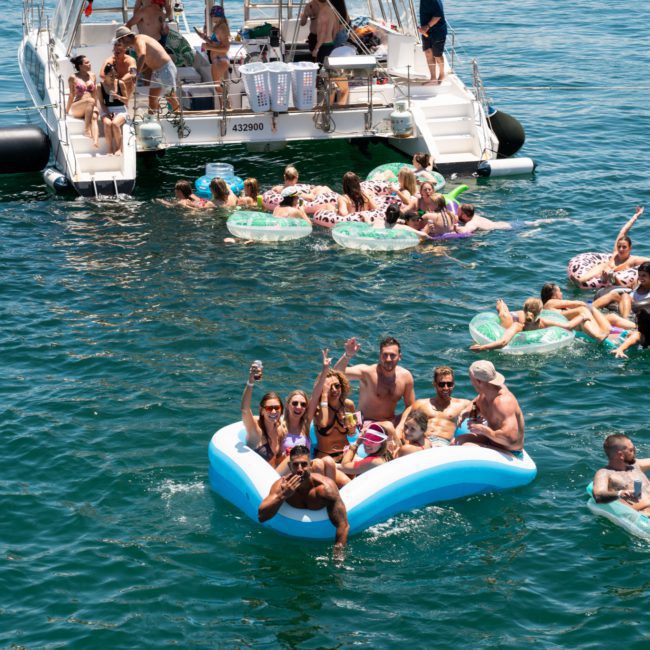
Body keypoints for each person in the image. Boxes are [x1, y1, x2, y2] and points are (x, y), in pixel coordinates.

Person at [258, 445, 349, 555]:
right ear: (289, 466)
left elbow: (343, 525)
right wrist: (282, 496)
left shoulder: (325, 488)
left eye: (304, 464)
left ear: (311, 465)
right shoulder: (281, 486)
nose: (300, 469)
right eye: (295, 465)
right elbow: (261, 517)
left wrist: (338, 556)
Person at [334, 336, 415, 444]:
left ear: (399, 357)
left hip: (391, 422)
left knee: (419, 414)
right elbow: (337, 373)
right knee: (390, 431)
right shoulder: (367, 373)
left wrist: (400, 427)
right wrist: (347, 355)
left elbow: (410, 405)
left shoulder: (406, 376)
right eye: (385, 355)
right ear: (380, 356)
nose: (388, 359)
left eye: (392, 355)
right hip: (366, 423)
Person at [453, 360, 525, 455]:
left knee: (468, 448)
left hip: (510, 451)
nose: (471, 383)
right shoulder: (486, 393)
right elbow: (475, 404)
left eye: (471, 380)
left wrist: (483, 430)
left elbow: (510, 439)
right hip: (492, 441)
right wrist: (466, 412)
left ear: (478, 381)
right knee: (456, 441)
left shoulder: (503, 402)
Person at [469, 297, 591, 351]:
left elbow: (503, 342)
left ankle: (502, 308)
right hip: (538, 347)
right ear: (541, 313)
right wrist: (582, 316)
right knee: (504, 317)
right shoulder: (543, 322)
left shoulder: (517, 326)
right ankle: (502, 308)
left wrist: (483, 347)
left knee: (504, 317)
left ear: (524, 311)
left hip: (517, 346)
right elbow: (569, 326)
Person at [397, 366, 470, 446]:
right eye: (441, 384)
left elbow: (479, 406)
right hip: (422, 443)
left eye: (449, 384)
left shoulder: (462, 404)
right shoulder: (421, 404)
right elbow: (402, 424)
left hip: (444, 444)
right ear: (434, 384)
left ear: (453, 385)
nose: (446, 388)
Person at [575, 206, 648, 286]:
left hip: (613, 282)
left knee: (608, 270)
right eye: (619, 246)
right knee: (603, 265)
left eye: (624, 247)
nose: (621, 249)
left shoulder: (633, 260)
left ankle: (583, 281)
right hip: (598, 278)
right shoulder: (615, 253)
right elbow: (623, 231)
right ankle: (581, 280)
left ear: (630, 248)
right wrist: (635, 216)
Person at [114, 25, 179, 112]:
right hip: (157, 71)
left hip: (166, 69)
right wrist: (137, 73)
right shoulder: (136, 44)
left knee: (170, 97)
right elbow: (146, 61)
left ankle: (180, 120)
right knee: (152, 98)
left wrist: (137, 74)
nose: (120, 43)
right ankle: (151, 118)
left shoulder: (139, 40)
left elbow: (142, 55)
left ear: (126, 37)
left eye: (120, 40)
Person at [540, 282, 635, 341]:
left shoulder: (558, 306)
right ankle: (601, 334)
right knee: (583, 309)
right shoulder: (549, 303)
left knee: (611, 317)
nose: (561, 293)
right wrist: (585, 305)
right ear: (553, 295)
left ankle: (636, 327)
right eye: (559, 291)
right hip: (574, 323)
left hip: (579, 321)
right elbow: (576, 304)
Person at [592, 435, 650, 515]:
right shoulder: (604, 473)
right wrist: (620, 493)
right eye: (631, 450)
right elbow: (598, 495)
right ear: (621, 455)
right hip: (644, 513)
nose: (635, 452)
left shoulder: (636, 465)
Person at [313, 368, 356, 464]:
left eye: (337, 386)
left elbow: (351, 434)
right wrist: (324, 395)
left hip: (346, 453)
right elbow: (323, 424)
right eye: (328, 387)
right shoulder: (317, 408)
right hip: (325, 456)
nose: (334, 390)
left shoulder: (349, 405)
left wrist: (352, 429)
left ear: (342, 386)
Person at [194, 5, 230, 92]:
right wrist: (204, 38)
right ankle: (225, 106)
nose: (211, 18)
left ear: (216, 16)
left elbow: (226, 48)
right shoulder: (218, 27)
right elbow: (216, 44)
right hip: (217, 60)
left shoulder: (222, 28)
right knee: (219, 89)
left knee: (219, 89)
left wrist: (208, 47)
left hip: (220, 60)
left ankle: (227, 106)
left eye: (212, 16)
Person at [66, 55, 100, 148]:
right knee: (90, 100)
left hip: (90, 105)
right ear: (80, 66)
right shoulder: (73, 77)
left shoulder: (92, 76)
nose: (90, 64)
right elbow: (72, 95)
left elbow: (94, 93)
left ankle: (95, 141)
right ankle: (86, 129)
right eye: (87, 63)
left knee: (94, 117)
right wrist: (66, 111)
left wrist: (96, 107)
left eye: (89, 62)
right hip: (77, 107)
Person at [97, 64, 129, 156]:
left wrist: (118, 97)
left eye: (115, 75)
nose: (113, 77)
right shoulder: (100, 86)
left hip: (120, 109)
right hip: (106, 109)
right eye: (111, 75)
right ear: (105, 75)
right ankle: (110, 149)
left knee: (115, 124)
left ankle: (118, 148)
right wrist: (108, 113)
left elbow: (126, 100)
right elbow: (102, 103)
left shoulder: (120, 83)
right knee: (108, 124)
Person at [417, 0, 448, 85]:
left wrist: (427, 27)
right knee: (428, 53)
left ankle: (442, 75)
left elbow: (438, 16)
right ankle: (433, 78)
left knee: (437, 55)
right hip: (426, 30)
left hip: (437, 31)